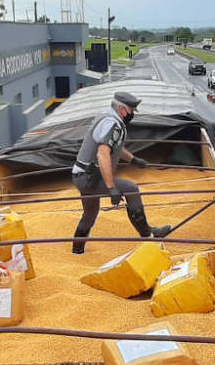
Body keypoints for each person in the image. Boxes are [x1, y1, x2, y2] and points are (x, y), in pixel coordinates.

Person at [71, 91, 171, 254]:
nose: (132, 114)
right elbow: (102, 153)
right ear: (123, 110)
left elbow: (115, 147)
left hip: (81, 174)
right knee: (131, 189)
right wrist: (111, 187)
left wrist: (133, 159)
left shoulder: (106, 117)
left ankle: (77, 250)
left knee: (90, 213)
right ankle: (148, 234)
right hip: (89, 177)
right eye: (131, 110)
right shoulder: (112, 124)